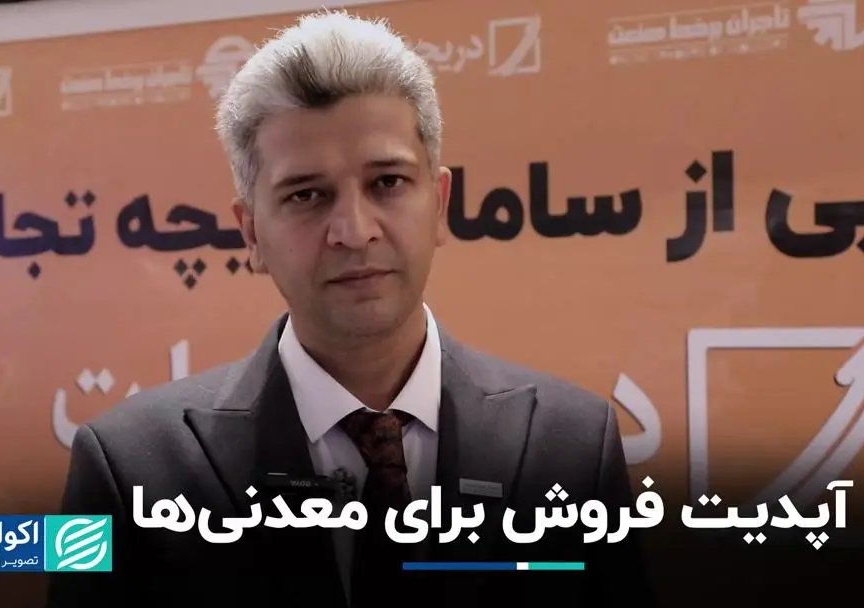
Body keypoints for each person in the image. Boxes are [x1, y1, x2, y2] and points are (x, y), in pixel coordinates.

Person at [47, 9, 654, 608]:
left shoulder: (575, 445)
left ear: (440, 204)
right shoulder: (123, 468)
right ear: (251, 232)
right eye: (306, 195)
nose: (354, 231)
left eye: (387, 182)